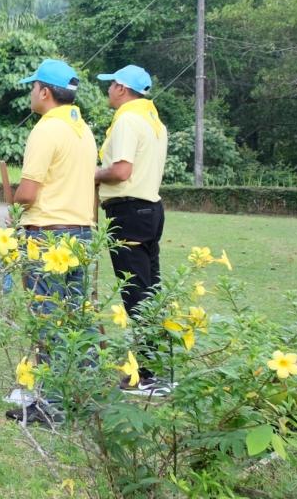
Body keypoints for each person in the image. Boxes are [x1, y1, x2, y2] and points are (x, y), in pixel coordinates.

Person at [7, 58, 98, 424]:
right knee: (75, 319)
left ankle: (52, 406)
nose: (31, 93)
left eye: (33, 87)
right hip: (81, 232)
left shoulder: (46, 129)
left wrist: (13, 200)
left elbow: (28, 192)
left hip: (48, 234)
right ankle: (82, 396)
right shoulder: (84, 129)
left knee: (47, 318)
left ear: (45, 91)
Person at [95, 64, 168, 391]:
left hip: (128, 211)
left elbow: (121, 171)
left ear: (122, 88)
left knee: (135, 291)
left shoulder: (127, 119)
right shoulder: (155, 121)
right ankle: (154, 367)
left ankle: (147, 376)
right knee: (150, 289)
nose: (108, 89)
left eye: (111, 84)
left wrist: (91, 172)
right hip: (151, 208)